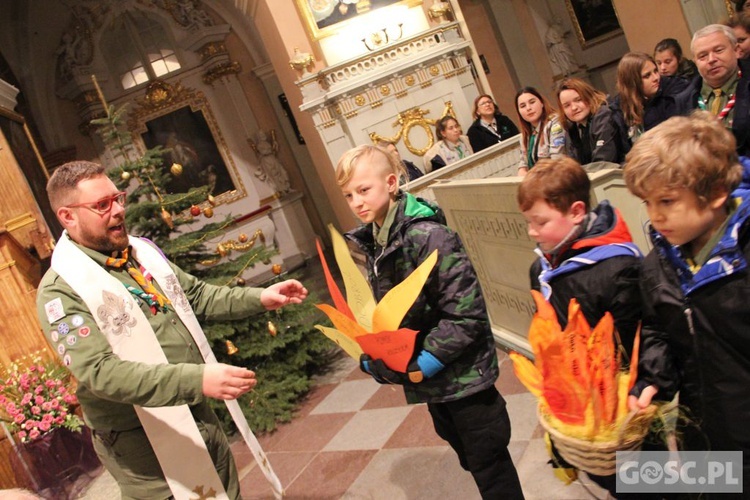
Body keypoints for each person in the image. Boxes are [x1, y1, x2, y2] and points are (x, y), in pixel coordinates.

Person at [36, 161, 308, 499]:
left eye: (118, 198)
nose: (119, 210)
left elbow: (194, 295)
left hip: (195, 410)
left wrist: (261, 297)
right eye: (102, 205)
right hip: (143, 441)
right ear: (67, 217)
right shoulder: (61, 290)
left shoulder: (138, 252)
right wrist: (196, 380)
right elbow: (99, 373)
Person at [336, 145, 525, 500]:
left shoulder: (428, 236)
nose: (356, 202)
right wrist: (376, 352)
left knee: (492, 470)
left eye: (364, 190)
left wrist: (422, 363)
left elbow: (465, 315)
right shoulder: (376, 239)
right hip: (435, 381)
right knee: (471, 459)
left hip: (462, 377)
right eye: (348, 195)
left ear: (391, 183)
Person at [624, 112, 750, 493]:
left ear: (714, 193)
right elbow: (659, 327)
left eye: (667, 200)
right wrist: (654, 378)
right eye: (647, 202)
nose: (655, 215)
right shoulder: (658, 262)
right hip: (701, 427)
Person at [689, 24, 750, 156]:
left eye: (718, 50)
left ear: (736, 50)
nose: (711, 60)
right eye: (702, 56)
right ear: (695, 62)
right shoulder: (683, 99)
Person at [609, 52, 692, 147]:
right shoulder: (619, 110)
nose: (656, 78)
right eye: (647, 76)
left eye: (655, 71)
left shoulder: (672, 93)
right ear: (632, 83)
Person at [556, 78, 627, 165]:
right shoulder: (572, 128)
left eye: (578, 100)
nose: (574, 108)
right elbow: (574, 165)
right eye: (567, 105)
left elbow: (604, 160)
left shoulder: (604, 115)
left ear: (589, 96)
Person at [514, 87, 566, 176]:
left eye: (532, 102)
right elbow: (523, 164)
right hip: (537, 182)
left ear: (541, 103)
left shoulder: (555, 123)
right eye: (523, 106)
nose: (528, 108)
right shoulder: (525, 135)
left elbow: (557, 160)